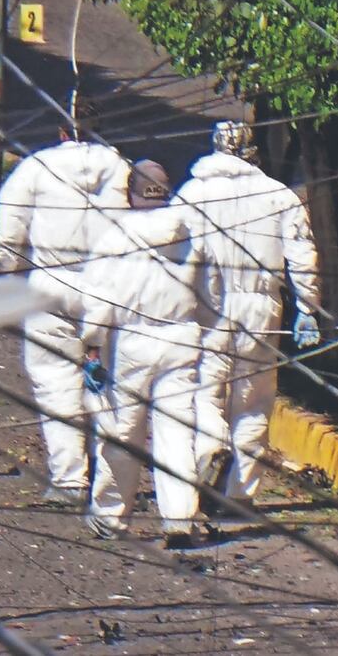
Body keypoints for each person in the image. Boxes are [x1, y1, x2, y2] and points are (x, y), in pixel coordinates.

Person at [173, 121, 321, 513]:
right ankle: (239, 494)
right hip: (262, 310)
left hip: (207, 307)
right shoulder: (279, 197)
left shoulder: (191, 194)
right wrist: (307, 309)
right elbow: (302, 256)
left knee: (203, 392)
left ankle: (210, 447)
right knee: (253, 401)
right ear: (253, 152)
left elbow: (171, 252)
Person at [80, 160, 223, 548]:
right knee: (175, 433)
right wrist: (203, 332)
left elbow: (97, 301)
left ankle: (111, 517)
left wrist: (92, 349)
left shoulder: (115, 238)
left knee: (121, 433)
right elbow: (211, 297)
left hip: (130, 343)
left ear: (131, 193)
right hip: (181, 340)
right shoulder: (191, 236)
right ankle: (179, 519)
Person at [0, 117, 131, 508]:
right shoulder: (122, 169)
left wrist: (1, 277)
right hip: (107, 288)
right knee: (106, 385)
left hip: (50, 287)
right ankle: (112, 479)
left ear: (61, 130)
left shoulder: (35, 167)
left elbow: (8, 235)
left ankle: (69, 479)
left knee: (54, 382)